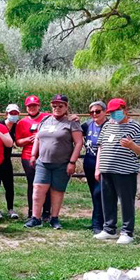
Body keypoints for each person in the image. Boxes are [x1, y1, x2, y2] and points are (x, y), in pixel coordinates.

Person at [94, 98, 140, 244]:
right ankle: (109, 229)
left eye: (117, 111)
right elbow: (101, 147)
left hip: (125, 171)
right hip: (106, 169)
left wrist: (131, 145)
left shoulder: (135, 127)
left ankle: (127, 232)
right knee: (107, 200)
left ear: (125, 109)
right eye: (111, 112)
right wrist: (98, 168)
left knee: (126, 202)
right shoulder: (107, 126)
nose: (114, 114)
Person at [26, 94, 82, 229]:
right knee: (38, 189)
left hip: (62, 164)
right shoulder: (45, 120)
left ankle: (54, 218)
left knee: (57, 191)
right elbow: (38, 138)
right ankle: (36, 218)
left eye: (60, 106)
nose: (57, 108)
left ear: (66, 107)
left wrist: (72, 162)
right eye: (54, 106)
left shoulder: (71, 122)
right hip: (43, 163)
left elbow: (79, 143)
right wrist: (33, 155)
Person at [15, 95, 46, 219]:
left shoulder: (47, 118)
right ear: (26, 107)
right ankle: (31, 211)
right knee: (32, 184)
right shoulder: (22, 123)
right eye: (30, 106)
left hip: (44, 155)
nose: (32, 108)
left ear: (38, 106)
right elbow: (18, 142)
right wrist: (29, 139)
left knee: (46, 184)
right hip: (28, 157)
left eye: (34, 105)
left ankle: (46, 212)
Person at [81, 101, 107, 234]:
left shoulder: (109, 126)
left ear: (104, 112)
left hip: (103, 163)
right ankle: (96, 221)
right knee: (94, 193)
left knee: (100, 193)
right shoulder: (87, 125)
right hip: (89, 161)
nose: (94, 114)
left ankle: (99, 224)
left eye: (98, 111)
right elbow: (75, 132)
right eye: (91, 112)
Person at [0, 104, 21, 220]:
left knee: (9, 186)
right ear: (6, 114)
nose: (13, 115)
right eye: (11, 113)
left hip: (7, 160)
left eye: (15, 113)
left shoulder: (17, 126)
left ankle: (10, 209)